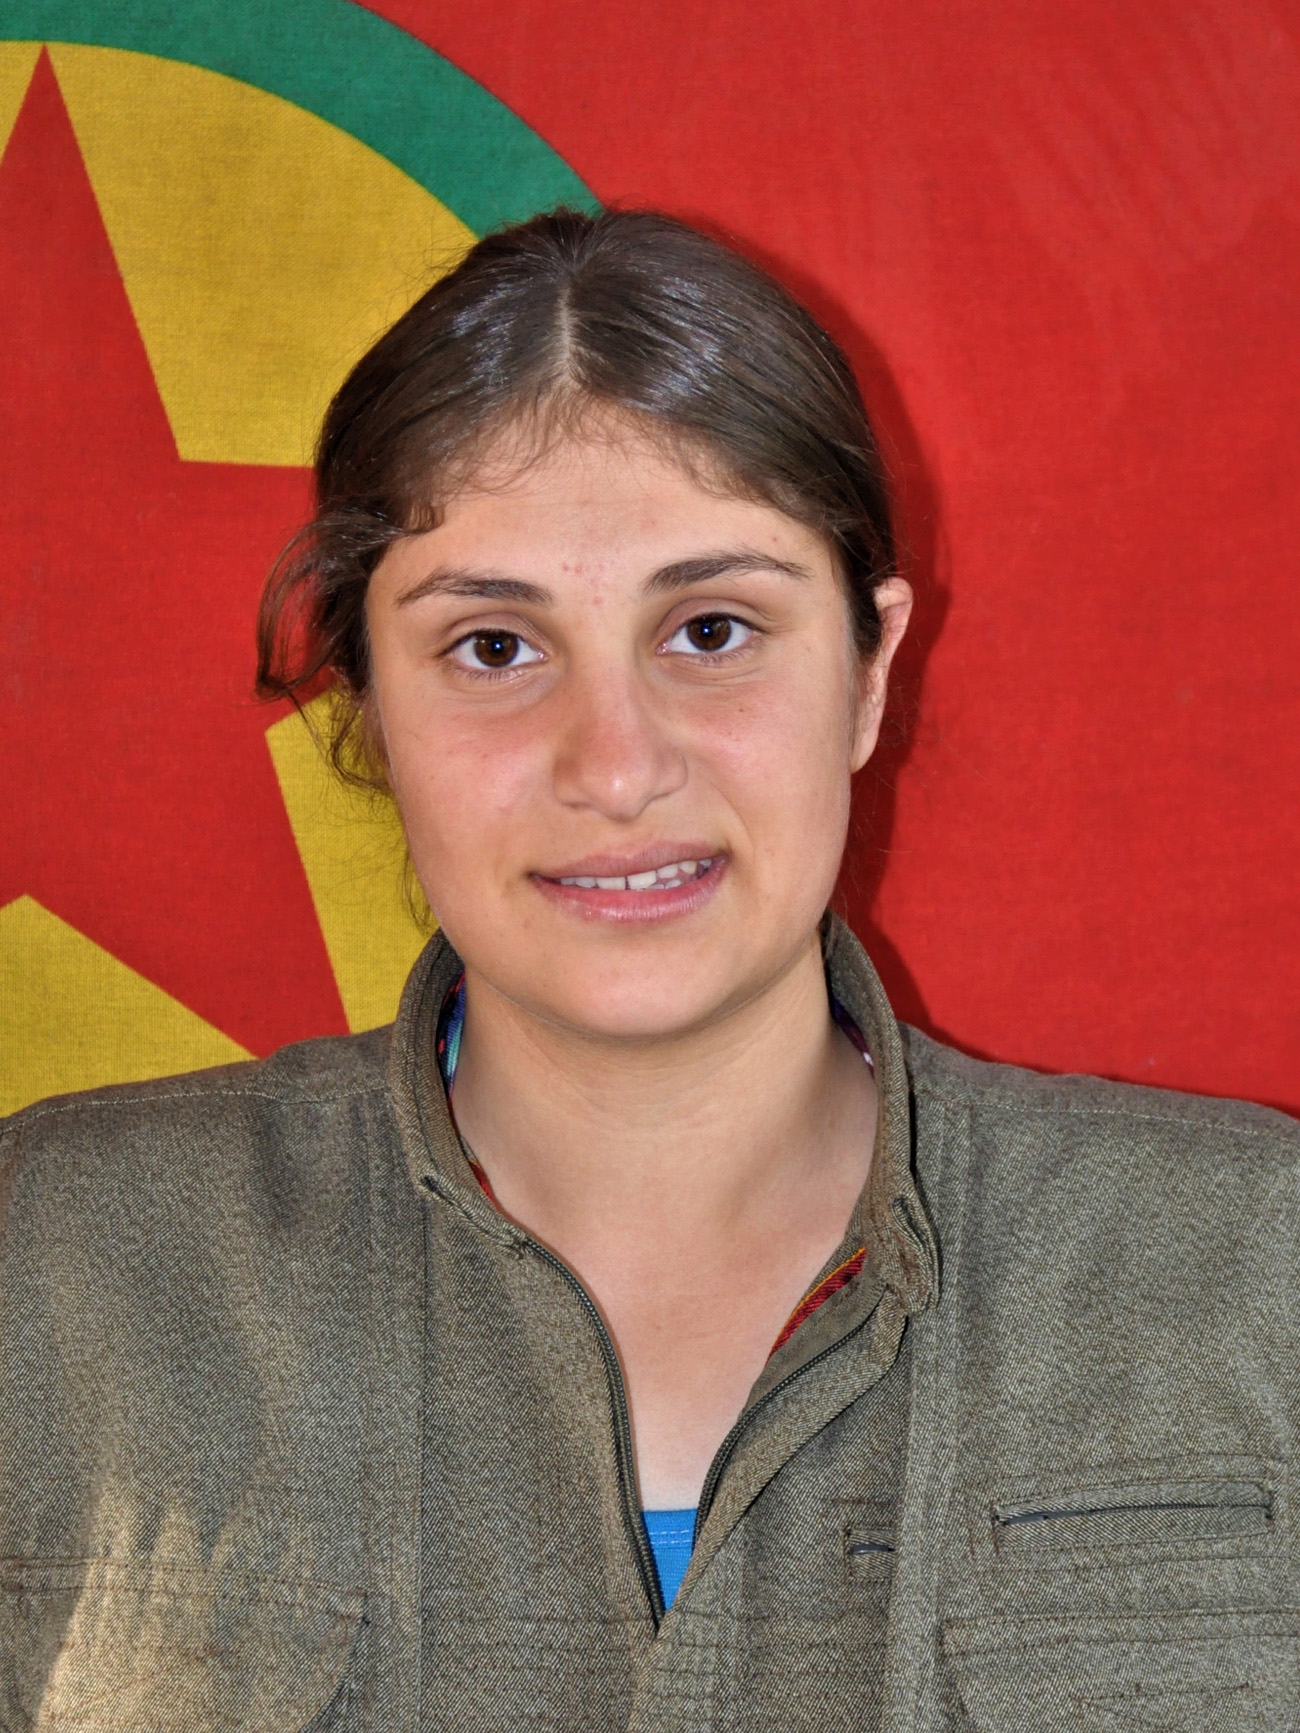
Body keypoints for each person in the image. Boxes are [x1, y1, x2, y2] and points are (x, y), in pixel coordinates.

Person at [1, 208, 1296, 1733]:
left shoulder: (1255, 1275)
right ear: (370, 705)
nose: (614, 767)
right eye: (495, 648)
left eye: (714, 629)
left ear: (869, 672)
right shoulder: (54, 1275)